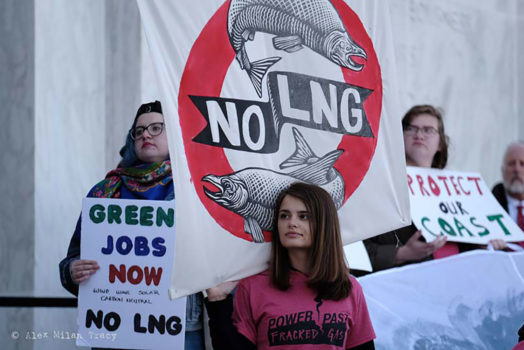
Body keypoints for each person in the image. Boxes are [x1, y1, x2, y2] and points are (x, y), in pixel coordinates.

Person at [58, 101, 204, 350]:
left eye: (156, 128)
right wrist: (72, 271)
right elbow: (72, 259)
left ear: (177, 133)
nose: (146, 134)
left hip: (178, 331)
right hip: (115, 333)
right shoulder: (103, 193)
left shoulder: (196, 191)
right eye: (139, 131)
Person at [205, 183, 376, 350]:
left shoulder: (350, 288)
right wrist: (218, 300)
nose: (291, 223)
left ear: (324, 224)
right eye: (284, 216)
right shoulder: (252, 287)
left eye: (304, 216)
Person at [364, 105, 450, 272]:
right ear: (400, 137)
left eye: (428, 130)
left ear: (441, 143)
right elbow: (354, 249)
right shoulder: (375, 187)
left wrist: (487, 246)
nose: (419, 135)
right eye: (411, 128)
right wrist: (401, 253)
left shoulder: (457, 192)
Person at [491, 141, 524, 250]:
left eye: (522, 164)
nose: (516, 169)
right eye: (511, 163)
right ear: (502, 170)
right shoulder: (489, 205)